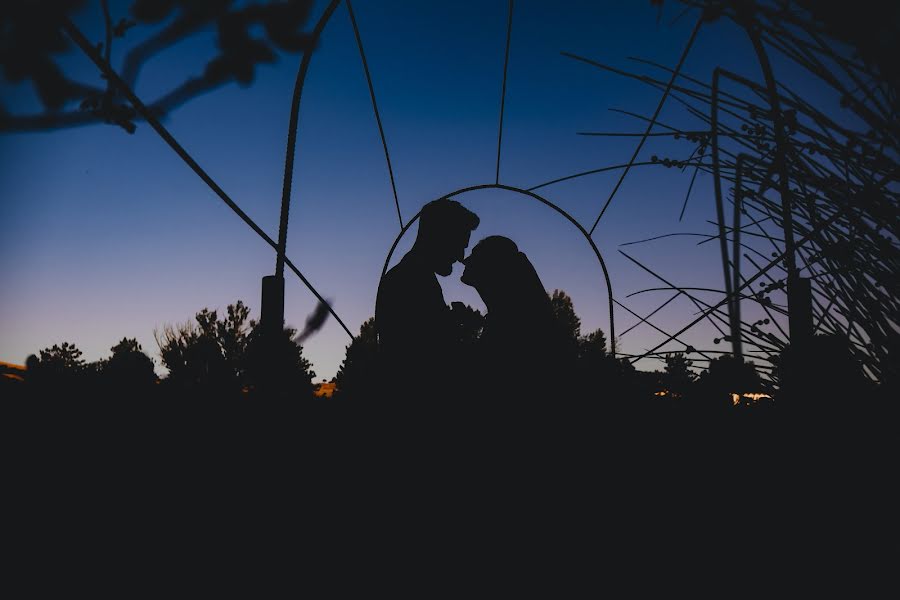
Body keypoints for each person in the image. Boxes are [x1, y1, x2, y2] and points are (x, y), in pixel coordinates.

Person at [375, 198, 480, 402]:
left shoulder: (409, 276)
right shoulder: (412, 281)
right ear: (438, 236)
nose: (460, 256)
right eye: (459, 244)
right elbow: (431, 362)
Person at [461, 236, 572, 403]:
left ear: (495, 269)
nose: (466, 260)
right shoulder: (510, 318)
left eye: (475, 255)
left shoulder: (516, 327)